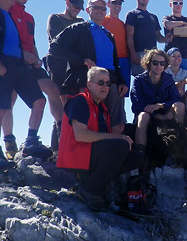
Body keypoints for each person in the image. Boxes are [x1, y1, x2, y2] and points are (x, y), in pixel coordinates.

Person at [0, 0, 51, 170]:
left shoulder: (9, 16)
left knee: (39, 101)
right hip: (3, 67)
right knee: (0, 108)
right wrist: (0, 68)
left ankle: (31, 142)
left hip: (19, 67)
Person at [57, 67, 143, 211]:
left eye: (108, 84)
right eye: (100, 83)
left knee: (136, 157)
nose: (105, 87)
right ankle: (90, 191)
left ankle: (93, 180)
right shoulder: (80, 101)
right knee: (120, 145)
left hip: (89, 153)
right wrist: (118, 138)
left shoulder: (102, 108)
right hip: (76, 155)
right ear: (89, 84)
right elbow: (81, 135)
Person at [49, 0, 127, 135]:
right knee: (89, 124)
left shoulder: (109, 35)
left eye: (103, 8)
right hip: (87, 82)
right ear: (87, 10)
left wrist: (121, 81)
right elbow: (54, 47)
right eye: (96, 7)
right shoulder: (78, 29)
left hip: (111, 83)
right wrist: (82, 60)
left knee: (117, 124)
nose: (100, 11)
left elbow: (115, 63)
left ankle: (114, 151)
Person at [8, 0, 64, 153]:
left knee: (52, 90)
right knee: (9, 102)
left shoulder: (29, 17)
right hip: (11, 62)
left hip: (31, 64)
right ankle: (9, 141)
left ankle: (54, 132)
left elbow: (31, 42)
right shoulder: (5, 12)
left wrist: (38, 60)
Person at [130, 49, 185, 153]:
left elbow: (176, 99)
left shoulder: (168, 80)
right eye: (155, 62)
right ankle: (139, 153)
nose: (158, 66)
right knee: (143, 116)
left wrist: (161, 105)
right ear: (148, 63)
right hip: (148, 116)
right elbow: (137, 105)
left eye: (162, 63)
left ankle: (179, 144)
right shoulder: (139, 81)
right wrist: (157, 116)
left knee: (179, 106)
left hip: (165, 113)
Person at [46, 0, 85, 105]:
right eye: (75, 7)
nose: (77, 11)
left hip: (74, 62)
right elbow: (56, 41)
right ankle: (60, 121)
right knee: (60, 95)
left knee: (75, 95)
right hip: (58, 60)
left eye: (79, 9)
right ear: (67, 4)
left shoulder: (80, 21)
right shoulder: (55, 18)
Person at [125, 0, 166, 76]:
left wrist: (167, 38)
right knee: (141, 80)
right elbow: (129, 35)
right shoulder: (132, 14)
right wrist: (133, 53)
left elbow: (159, 37)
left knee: (154, 80)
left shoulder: (153, 17)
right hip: (139, 54)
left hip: (153, 55)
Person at [102, 0, 131, 95]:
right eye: (114, 3)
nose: (117, 5)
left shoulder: (123, 24)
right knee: (109, 89)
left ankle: (120, 111)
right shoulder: (104, 20)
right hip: (111, 59)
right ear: (108, 5)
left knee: (124, 90)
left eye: (119, 3)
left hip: (125, 59)